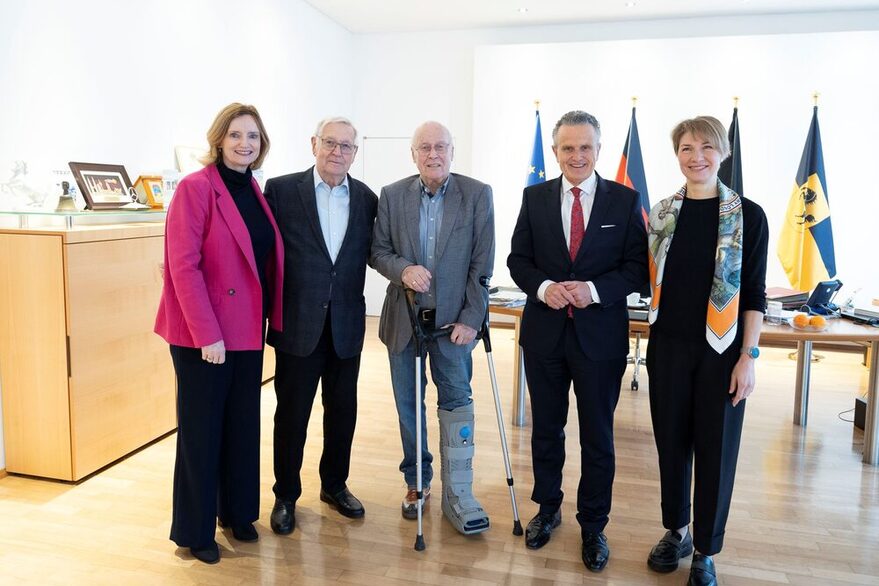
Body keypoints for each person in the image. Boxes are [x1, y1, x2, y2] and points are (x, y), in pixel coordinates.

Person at [507, 110, 648, 571]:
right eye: (568, 147)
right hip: (545, 337)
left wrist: (594, 290)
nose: (577, 155)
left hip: (600, 340)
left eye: (585, 147)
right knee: (546, 429)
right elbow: (518, 260)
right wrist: (546, 288)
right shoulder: (534, 197)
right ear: (555, 152)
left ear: (598, 150)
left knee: (598, 436)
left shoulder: (624, 202)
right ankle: (547, 509)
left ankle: (593, 525)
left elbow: (636, 268)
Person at [154, 103, 284, 564]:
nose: (244, 143)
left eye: (252, 136)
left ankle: (238, 513)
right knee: (202, 432)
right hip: (202, 335)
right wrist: (207, 333)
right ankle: (195, 530)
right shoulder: (195, 188)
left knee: (242, 424)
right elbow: (182, 267)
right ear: (218, 139)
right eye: (235, 135)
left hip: (247, 328)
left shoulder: (255, 190)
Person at [644, 116, 768, 586]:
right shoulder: (660, 214)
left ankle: (705, 551)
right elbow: (646, 279)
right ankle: (675, 530)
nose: (696, 156)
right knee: (670, 445)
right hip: (668, 348)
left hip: (723, 352)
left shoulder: (748, 215)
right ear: (676, 155)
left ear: (723, 152)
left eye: (706, 147)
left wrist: (747, 357)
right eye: (686, 148)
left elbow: (754, 292)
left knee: (716, 451)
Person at [371, 121, 495, 534]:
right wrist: (403, 270)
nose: (432, 154)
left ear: (452, 151)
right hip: (404, 321)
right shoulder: (391, 195)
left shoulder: (477, 194)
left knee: (456, 403)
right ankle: (418, 481)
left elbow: (482, 265)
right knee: (409, 407)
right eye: (424, 147)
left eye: (440, 146)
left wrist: (472, 320)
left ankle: (459, 490)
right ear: (413, 154)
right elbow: (378, 251)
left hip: (453, 325)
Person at [263, 117, 377, 534]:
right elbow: (263, 254)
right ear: (314, 144)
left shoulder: (366, 198)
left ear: (355, 153)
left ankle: (334, 485)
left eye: (346, 146)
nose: (337, 152)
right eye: (330, 143)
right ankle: (285, 495)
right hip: (297, 324)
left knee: (342, 412)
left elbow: (374, 252)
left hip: (346, 325)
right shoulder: (280, 190)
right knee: (292, 415)